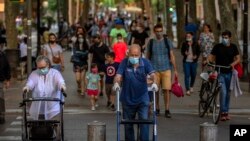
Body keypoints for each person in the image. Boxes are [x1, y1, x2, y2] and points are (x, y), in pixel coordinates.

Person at [113, 44, 158, 141]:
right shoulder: (124, 63)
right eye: (132, 55)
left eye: (136, 55)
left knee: (144, 123)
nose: (134, 57)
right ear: (128, 54)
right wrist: (116, 83)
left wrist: (154, 83)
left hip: (142, 99)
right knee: (128, 125)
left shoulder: (145, 63)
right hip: (127, 99)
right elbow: (118, 75)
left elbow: (153, 74)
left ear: (140, 54)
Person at [22, 56, 66, 140]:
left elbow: (60, 81)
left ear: (48, 65)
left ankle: (57, 137)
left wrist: (62, 86)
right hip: (38, 105)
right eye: (39, 68)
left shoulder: (55, 73)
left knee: (55, 123)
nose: (40, 69)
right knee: (37, 125)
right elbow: (31, 82)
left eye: (43, 67)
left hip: (53, 105)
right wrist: (27, 87)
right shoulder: (34, 73)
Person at [207, 30, 240, 121]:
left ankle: (226, 112)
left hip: (229, 73)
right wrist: (209, 61)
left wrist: (233, 64)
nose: (224, 39)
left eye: (226, 37)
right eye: (223, 37)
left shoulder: (233, 47)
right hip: (220, 72)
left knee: (228, 93)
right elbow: (211, 56)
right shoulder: (217, 47)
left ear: (230, 38)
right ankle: (222, 112)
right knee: (223, 92)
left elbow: (238, 58)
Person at [146, 24, 178, 118]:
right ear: (154, 32)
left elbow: (172, 56)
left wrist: (175, 70)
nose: (159, 33)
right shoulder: (151, 42)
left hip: (166, 68)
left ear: (163, 31)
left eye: (161, 31)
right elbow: (147, 56)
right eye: (157, 31)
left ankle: (167, 109)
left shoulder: (167, 41)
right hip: (154, 69)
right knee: (155, 90)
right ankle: (157, 108)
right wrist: (147, 69)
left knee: (167, 90)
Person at [0, 50, 11, 124]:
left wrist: (7, 79)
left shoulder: (2, 55)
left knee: (0, 99)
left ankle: (1, 116)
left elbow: (7, 67)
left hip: (0, 80)